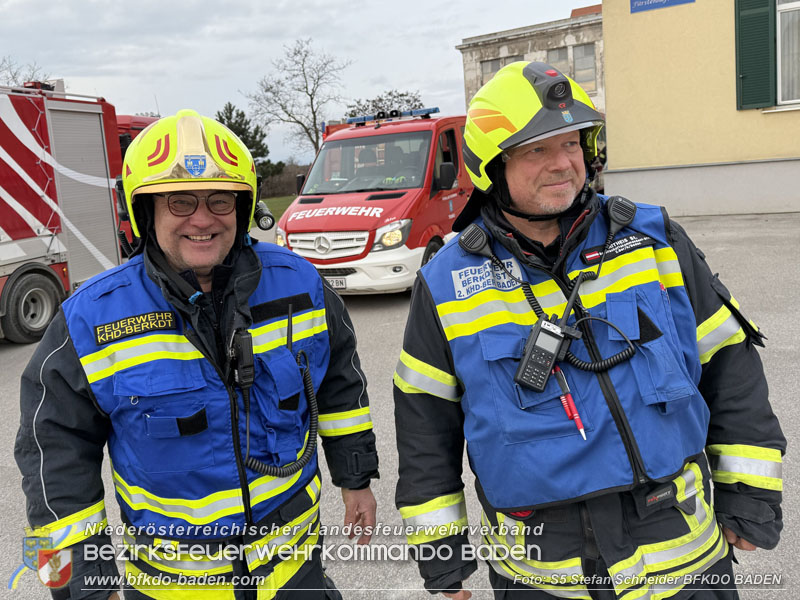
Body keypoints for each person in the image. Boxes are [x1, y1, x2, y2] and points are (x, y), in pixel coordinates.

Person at [393, 62, 784, 599]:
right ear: (490, 166)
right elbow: (424, 425)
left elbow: (728, 360)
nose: (563, 164)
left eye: (572, 143)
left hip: (684, 557)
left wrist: (749, 492)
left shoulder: (653, 237)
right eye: (536, 150)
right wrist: (443, 563)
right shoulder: (445, 281)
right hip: (546, 577)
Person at [15, 109, 379, 599]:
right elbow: (51, 456)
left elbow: (339, 381)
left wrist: (355, 477)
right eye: (180, 202)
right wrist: (85, 587)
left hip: (296, 575)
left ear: (242, 206)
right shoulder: (90, 319)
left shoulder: (301, 283)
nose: (202, 219)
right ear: (147, 213)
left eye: (218, 200)